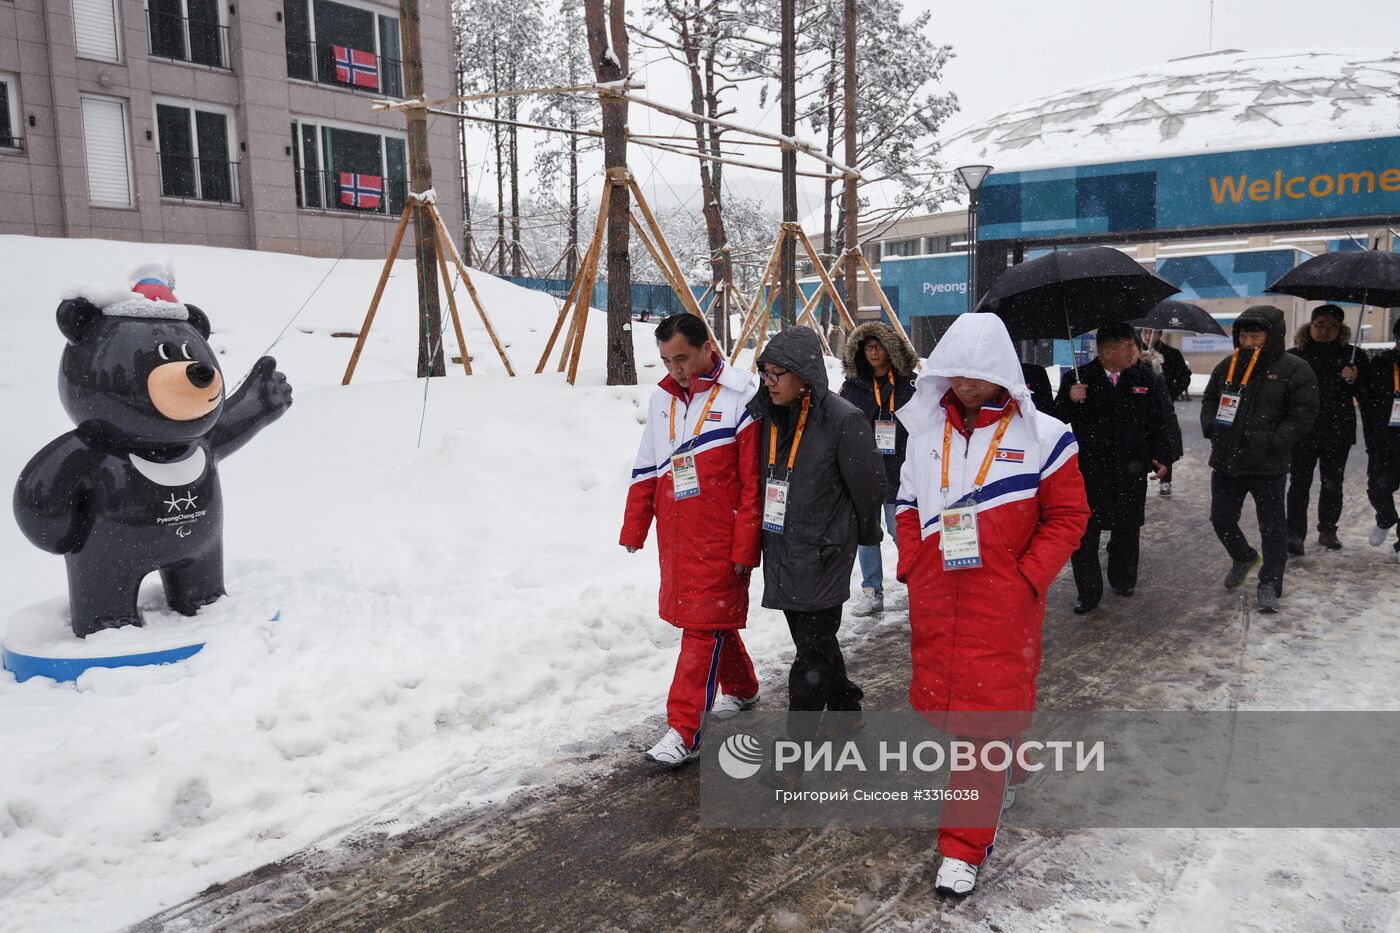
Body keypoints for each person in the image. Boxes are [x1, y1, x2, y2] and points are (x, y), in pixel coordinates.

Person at [894, 313, 1090, 897]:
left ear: (1003, 372)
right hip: (936, 594)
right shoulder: (926, 434)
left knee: (982, 723)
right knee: (959, 704)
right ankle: (1010, 750)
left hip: (1003, 602)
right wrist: (913, 565)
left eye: (980, 374)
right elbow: (906, 502)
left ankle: (963, 847)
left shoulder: (1046, 436)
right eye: (957, 373)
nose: (967, 384)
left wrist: (1025, 578)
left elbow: (1068, 517)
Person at [620, 313, 763, 767]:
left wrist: (745, 546)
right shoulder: (663, 399)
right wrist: (635, 525)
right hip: (679, 536)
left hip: (721, 538)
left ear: (708, 348)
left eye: (682, 357)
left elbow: (751, 482)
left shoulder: (742, 395)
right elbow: (647, 466)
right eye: (666, 360)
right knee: (706, 621)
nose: (675, 369)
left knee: (702, 629)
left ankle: (684, 730)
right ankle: (742, 688)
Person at [748, 326, 885, 770]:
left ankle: (795, 753)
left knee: (809, 651)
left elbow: (868, 487)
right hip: (783, 546)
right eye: (765, 373)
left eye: (778, 374)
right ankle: (846, 708)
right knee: (815, 641)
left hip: (826, 548)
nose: (769, 382)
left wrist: (864, 538)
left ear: (805, 374)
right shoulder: (765, 414)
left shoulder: (843, 419)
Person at [1199, 306, 1319, 614]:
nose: (1249, 341)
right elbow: (1211, 399)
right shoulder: (1228, 365)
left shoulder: (1294, 369)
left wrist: (1276, 441)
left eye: (1256, 335)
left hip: (1268, 464)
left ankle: (1270, 585)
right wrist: (1212, 426)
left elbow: (1303, 413)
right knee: (1221, 519)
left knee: (1273, 528)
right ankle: (1244, 556)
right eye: (1244, 334)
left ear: (1272, 336)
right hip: (1227, 460)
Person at [1056, 321, 1181, 614]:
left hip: (1130, 468)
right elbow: (1055, 418)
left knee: (1127, 527)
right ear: (1107, 351)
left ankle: (1123, 579)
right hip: (1090, 469)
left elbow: (1160, 419)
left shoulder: (1144, 378)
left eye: (1134, 346)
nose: (1134, 352)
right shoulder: (1078, 378)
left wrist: (1164, 455)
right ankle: (1088, 592)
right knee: (1085, 533)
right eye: (1128, 347)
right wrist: (1069, 400)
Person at [838, 321, 918, 617]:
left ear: (890, 349)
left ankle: (918, 585)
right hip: (864, 473)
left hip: (901, 471)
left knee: (904, 533)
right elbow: (841, 425)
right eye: (868, 346)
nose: (873, 352)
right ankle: (872, 592)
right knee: (867, 536)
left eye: (878, 346)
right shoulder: (853, 386)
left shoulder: (910, 384)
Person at [1285, 304, 1368, 554]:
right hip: (1302, 431)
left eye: (1331, 326)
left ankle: (1328, 529)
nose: (1324, 331)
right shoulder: (1294, 356)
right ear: (1310, 326)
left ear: (1340, 329)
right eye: (1319, 325)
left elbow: (1369, 394)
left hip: (1337, 431)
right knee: (1299, 484)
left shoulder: (1353, 356)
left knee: (1333, 483)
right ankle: (1294, 534)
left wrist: (1353, 379)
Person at [1360, 317, 1400, 562]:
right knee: (1377, 488)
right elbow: (1367, 398)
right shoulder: (1383, 362)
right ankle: (1385, 518)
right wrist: (1354, 380)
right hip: (1385, 439)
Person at [1140, 329, 1192, 495]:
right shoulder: (1134, 352)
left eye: (1152, 333)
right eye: (1145, 332)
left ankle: (1166, 480)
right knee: (1141, 440)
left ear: (1160, 334)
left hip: (1163, 404)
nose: (1148, 336)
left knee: (1166, 438)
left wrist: (1170, 393)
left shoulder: (1171, 353)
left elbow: (1185, 376)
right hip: (1139, 403)